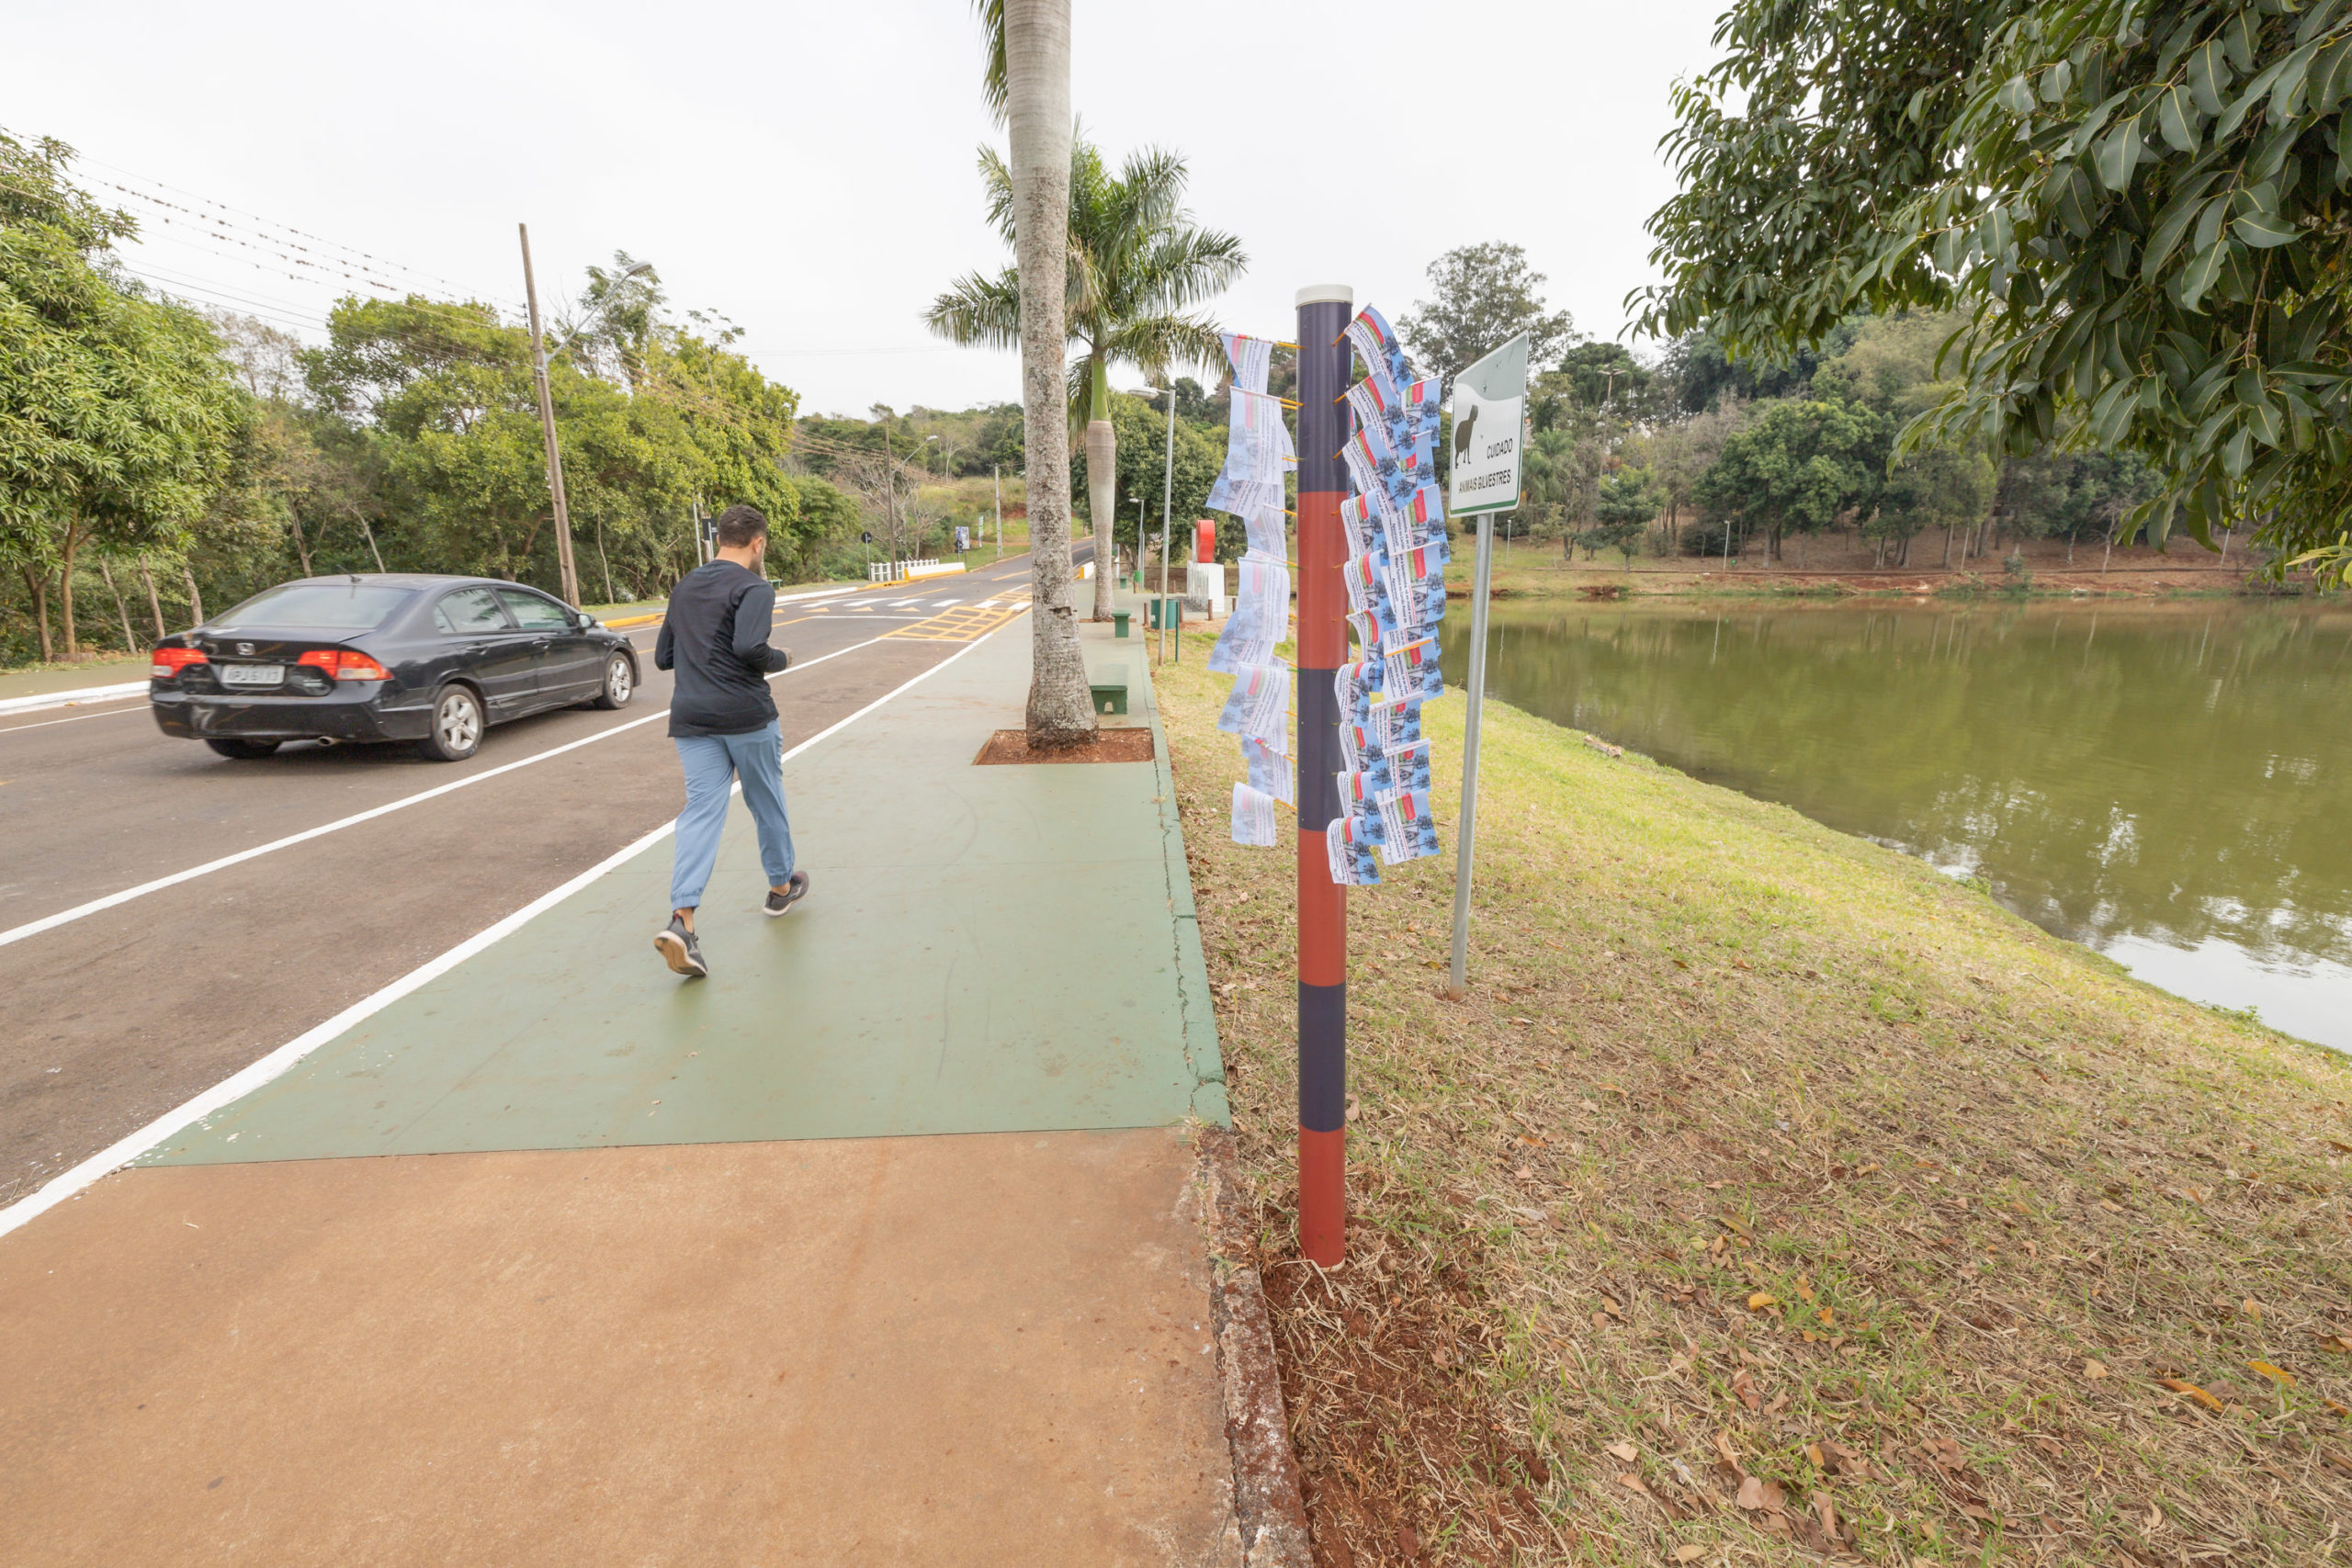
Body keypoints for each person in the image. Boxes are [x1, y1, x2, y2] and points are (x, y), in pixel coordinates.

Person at [651, 503, 808, 979]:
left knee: (700, 813)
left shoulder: (684, 586)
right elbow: (749, 648)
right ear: (758, 543)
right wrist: (781, 658)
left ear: (720, 539)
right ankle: (780, 889)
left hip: (691, 718)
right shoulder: (755, 587)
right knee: (766, 800)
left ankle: (683, 921)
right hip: (746, 716)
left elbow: (663, 657)